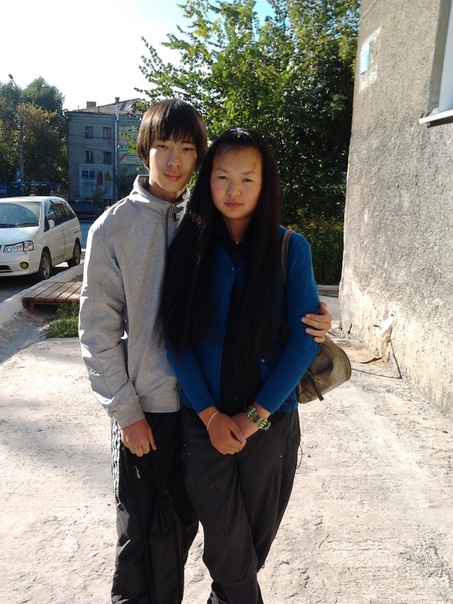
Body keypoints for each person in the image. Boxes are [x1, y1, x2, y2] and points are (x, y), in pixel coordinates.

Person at [79, 100, 332, 604]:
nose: (174, 159)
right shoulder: (122, 229)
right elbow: (104, 332)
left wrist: (311, 321)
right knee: (146, 541)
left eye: (187, 148)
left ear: (199, 158)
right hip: (157, 413)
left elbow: (289, 321)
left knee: (203, 539)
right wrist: (129, 413)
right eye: (163, 146)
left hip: (229, 418)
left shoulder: (213, 225)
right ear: (144, 149)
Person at [161, 128, 323, 604]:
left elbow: (304, 340)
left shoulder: (290, 248)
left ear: (265, 183)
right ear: (207, 180)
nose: (234, 190)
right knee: (229, 553)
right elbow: (175, 338)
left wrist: (253, 418)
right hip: (203, 425)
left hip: (270, 427)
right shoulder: (189, 247)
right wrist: (210, 416)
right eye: (222, 177)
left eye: (247, 179)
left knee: (251, 545)